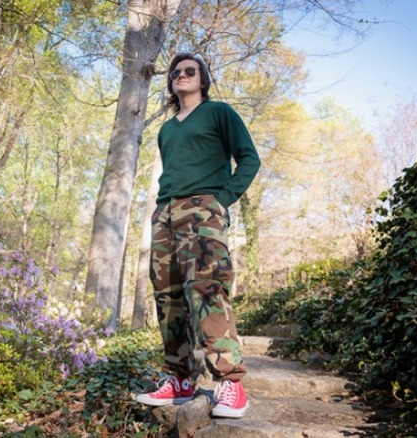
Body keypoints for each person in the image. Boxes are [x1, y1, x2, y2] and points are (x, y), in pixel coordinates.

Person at [135, 53, 261, 418]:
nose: (182, 75)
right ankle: (179, 380)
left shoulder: (219, 112)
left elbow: (249, 158)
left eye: (190, 70)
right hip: (166, 213)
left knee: (206, 289)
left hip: (204, 209)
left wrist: (222, 200)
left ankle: (231, 384)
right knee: (168, 296)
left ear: (202, 78)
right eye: (176, 72)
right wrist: (163, 213)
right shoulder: (167, 128)